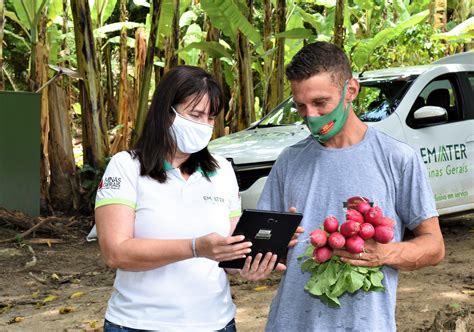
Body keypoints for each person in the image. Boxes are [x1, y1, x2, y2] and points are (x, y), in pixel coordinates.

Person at [257, 42, 445, 331]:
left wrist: (384, 254)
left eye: (321, 103)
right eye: (301, 106)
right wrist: (276, 247)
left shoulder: (398, 158)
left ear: (351, 91)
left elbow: (434, 246)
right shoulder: (289, 161)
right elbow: (261, 246)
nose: (311, 116)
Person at [95, 65, 289, 331]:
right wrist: (195, 247)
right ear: (166, 113)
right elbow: (115, 253)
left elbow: (228, 252)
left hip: (216, 323)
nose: (204, 126)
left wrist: (252, 261)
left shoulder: (221, 171)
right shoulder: (126, 166)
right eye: (195, 114)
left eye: (210, 117)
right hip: (139, 323)